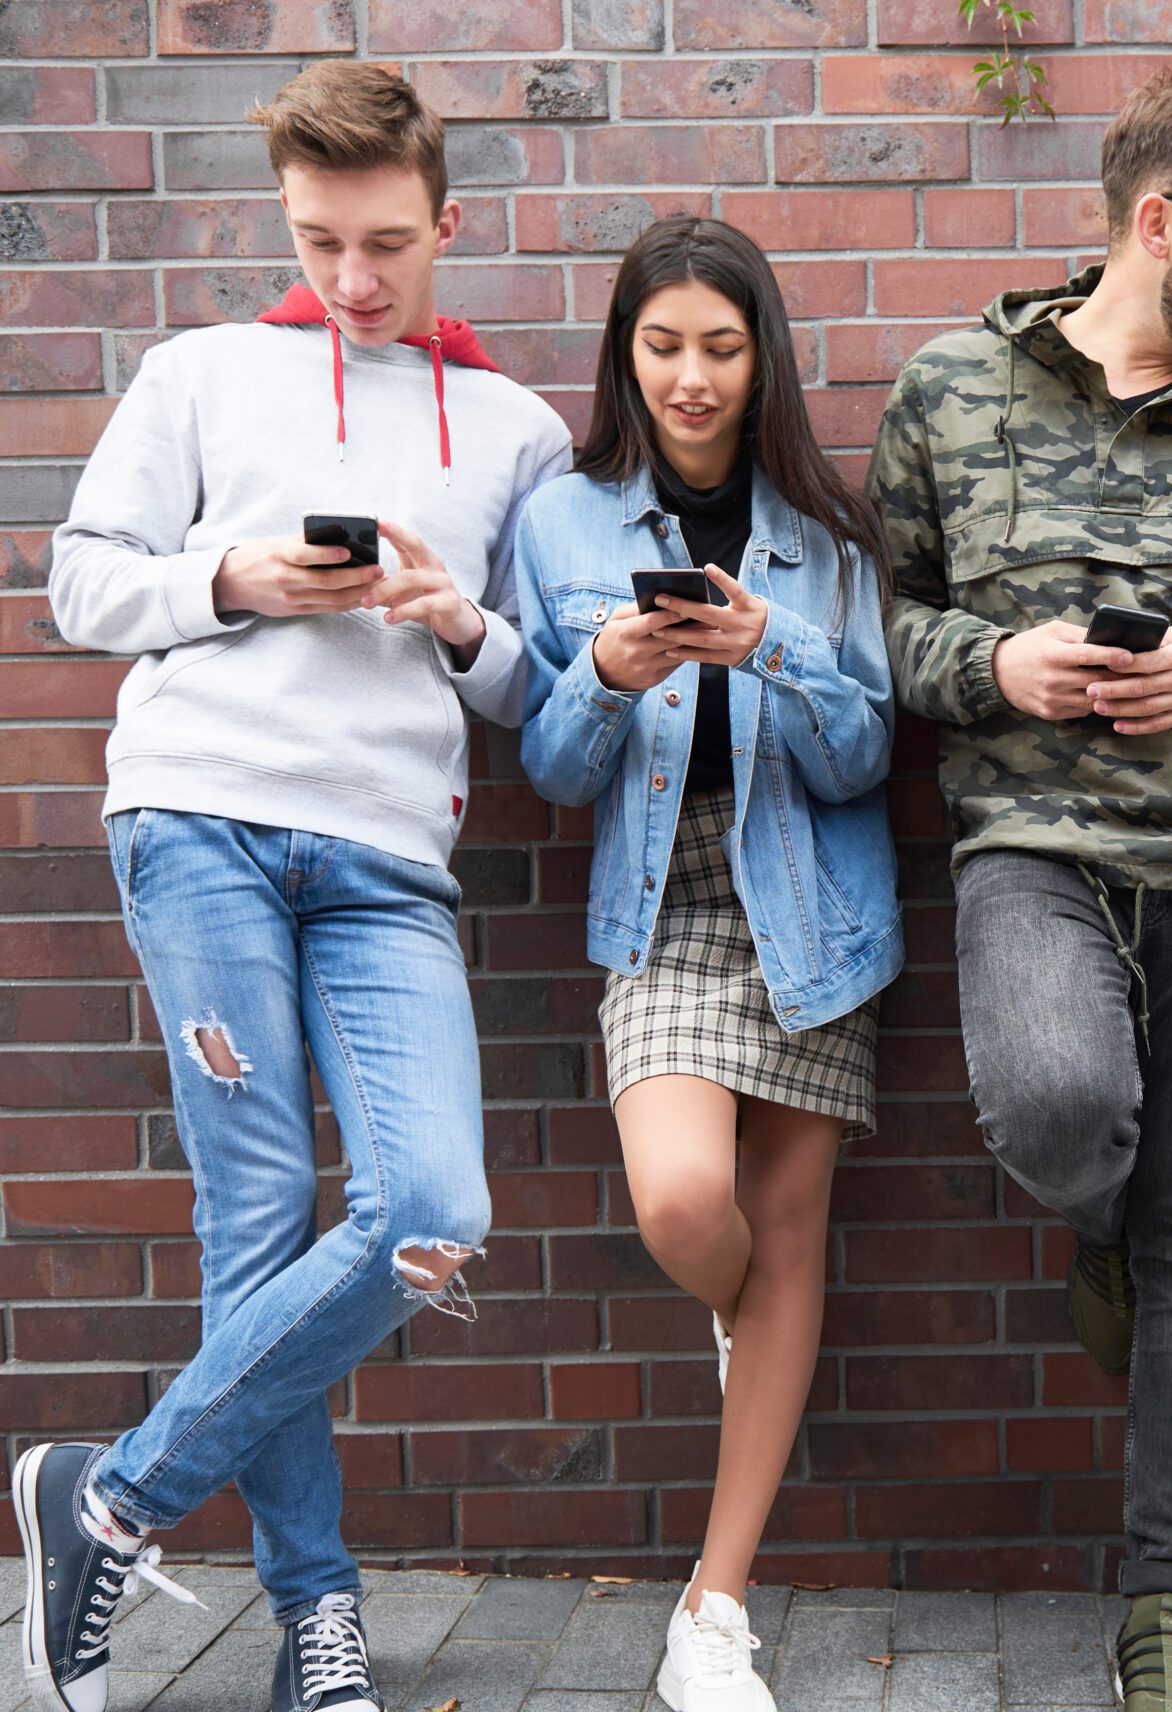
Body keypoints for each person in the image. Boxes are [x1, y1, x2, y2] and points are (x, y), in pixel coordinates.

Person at [23, 61, 570, 1712]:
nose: (355, 280)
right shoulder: (199, 371)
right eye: (323, 240)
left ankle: (104, 1492)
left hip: (390, 861)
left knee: (431, 1213)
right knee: (256, 1224)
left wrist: (457, 624)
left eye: (389, 241)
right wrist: (233, 579)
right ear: (287, 218)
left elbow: (544, 697)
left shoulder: (518, 431)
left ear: (448, 223)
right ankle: (313, 1616)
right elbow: (78, 583)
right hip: (198, 819)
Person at [866, 57, 1172, 1712]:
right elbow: (890, 622)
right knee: (1072, 1110)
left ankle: (1166, 1609)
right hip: (1034, 848)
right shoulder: (949, 388)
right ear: (1161, 222)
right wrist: (1001, 663)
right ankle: (1097, 1227)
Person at [510, 214, 902, 1712]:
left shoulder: (831, 537)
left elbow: (867, 757)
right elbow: (549, 765)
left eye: (720, 347)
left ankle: (713, 1612)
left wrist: (777, 651)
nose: (690, 376)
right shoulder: (564, 525)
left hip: (813, 909)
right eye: (662, 345)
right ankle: (753, 1327)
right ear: (627, 353)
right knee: (690, 1208)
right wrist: (605, 680)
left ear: (763, 359)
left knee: (788, 1226)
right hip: (663, 908)